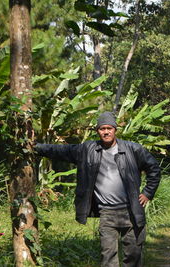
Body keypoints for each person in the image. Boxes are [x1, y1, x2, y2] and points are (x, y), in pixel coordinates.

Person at [34, 111, 161, 267]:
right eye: (102, 129)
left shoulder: (133, 149)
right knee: (108, 258)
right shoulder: (88, 150)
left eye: (109, 128)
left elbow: (154, 168)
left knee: (133, 257)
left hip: (132, 212)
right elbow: (61, 151)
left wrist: (148, 192)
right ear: (97, 131)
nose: (106, 132)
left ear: (115, 130)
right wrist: (36, 147)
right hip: (106, 213)